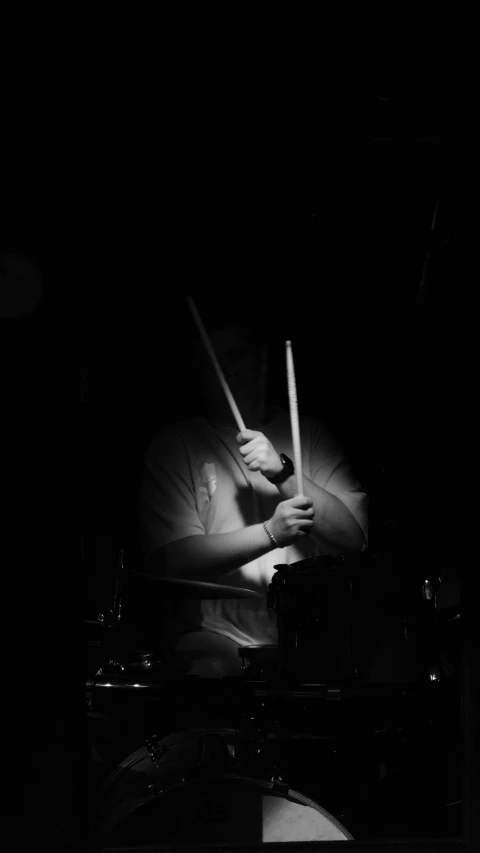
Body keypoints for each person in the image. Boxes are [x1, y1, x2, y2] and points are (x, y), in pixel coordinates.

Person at [138, 298, 369, 677]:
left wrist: (283, 473)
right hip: (215, 638)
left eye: (238, 355)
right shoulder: (176, 444)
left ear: (263, 359)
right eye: (214, 361)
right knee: (209, 669)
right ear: (198, 371)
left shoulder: (310, 435)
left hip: (311, 636)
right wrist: (270, 533)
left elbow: (354, 541)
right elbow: (169, 561)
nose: (227, 370)